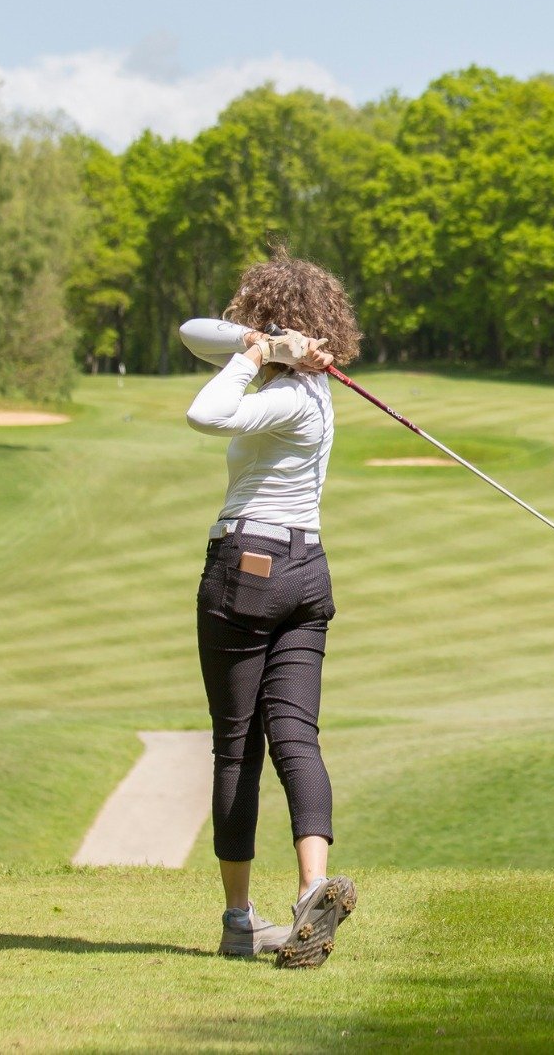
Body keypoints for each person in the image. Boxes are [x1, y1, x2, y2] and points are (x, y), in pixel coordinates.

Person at [180, 251, 361, 968]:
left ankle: (237, 917)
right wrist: (268, 346)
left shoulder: (288, 398)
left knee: (237, 747)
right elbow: (197, 332)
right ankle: (312, 892)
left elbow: (206, 413)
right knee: (297, 737)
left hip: (245, 570)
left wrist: (252, 357)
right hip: (307, 574)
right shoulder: (319, 392)